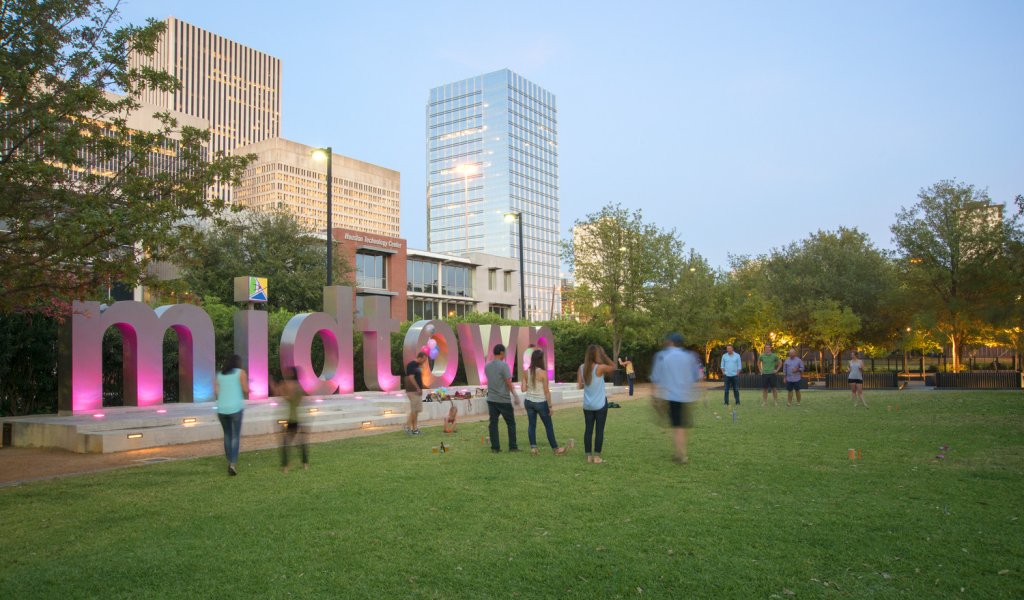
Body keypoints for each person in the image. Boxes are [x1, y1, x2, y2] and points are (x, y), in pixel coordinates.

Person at [651, 333, 701, 464]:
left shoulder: (662, 356)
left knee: (676, 426)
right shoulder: (690, 356)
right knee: (682, 426)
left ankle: (681, 454)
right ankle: (680, 452)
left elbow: (655, 378)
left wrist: (654, 396)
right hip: (687, 396)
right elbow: (697, 376)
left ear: (671, 342)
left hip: (671, 395)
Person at [522, 348, 568, 455]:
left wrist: (528, 383)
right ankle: (556, 449)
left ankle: (533, 448)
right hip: (540, 402)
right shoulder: (543, 373)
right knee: (548, 426)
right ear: (541, 360)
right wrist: (550, 406)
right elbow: (547, 391)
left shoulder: (525, 372)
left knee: (531, 425)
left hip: (528, 401)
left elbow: (523, 389)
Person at [577, 344, 617, 464]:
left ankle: (588, 456)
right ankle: (597, 456)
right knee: (599, 430)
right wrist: (605, 355)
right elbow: (614, 367)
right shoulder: (600, 368)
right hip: (600, 404)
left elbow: (579, 386)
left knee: (588, 430)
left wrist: (589, 384)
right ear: (596, 355)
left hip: (587, 405)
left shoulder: (581, 368)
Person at [214, 354, 248, 476]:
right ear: (237, 363)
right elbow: (245, 389)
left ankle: (229, 461)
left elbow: (216, 391)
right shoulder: (241, 373)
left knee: (227, 435)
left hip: (222, 409)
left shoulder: (219, 375)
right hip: (236, 408)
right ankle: (233, 464)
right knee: (235, 436)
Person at [485, 344, 522, 452]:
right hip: (503, 399)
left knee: (493, 424)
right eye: (504, 352)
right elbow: (508, 382)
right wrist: (515, 395)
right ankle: (513, 446)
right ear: (501, 353)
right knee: (510, 423)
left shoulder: (487, 366)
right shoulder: (503, 366)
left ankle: (495, 447)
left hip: (491, 399)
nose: (505, 354)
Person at [274, 366, 308, 472]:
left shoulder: (287, 385)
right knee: (300, 442)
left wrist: (282, 393)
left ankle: (285, 467)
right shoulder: (299, 386)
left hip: (290, 419)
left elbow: (285, 397)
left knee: (285, 443)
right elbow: (300, 399)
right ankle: (305, 464)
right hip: (298, 418)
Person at [404, 352, 428, 435]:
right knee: (414, 410)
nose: (424, 362)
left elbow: (418, 378)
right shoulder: (411, 365)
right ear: (420, 358)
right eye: (424, 360)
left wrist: (422, 387)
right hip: (412, 390)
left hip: (417, 391)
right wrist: (418, 388)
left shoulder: (417, 365)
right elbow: (411, 377)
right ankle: (407, 426)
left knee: (416, 410)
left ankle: (415, 429)